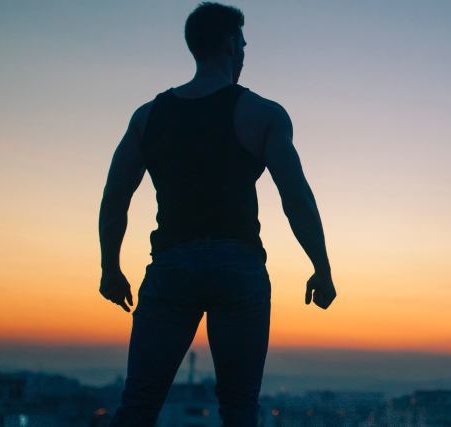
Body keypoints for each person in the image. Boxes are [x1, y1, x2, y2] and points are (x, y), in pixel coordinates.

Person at [97, 3, 336, 425]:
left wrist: (110, 268)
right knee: (240, 408)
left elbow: (116, 195)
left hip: (170, 266)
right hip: (237, 268)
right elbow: (295, 196)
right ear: (229, 45)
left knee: (138, 406)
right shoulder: (262, 114)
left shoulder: (148, 117)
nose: (245, 51)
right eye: (242, 42)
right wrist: (321, 267)